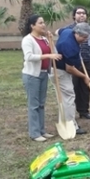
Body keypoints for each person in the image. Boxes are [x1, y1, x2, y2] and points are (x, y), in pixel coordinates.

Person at [21, 14, 62, 142]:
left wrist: (51, 40)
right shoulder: (28, 40)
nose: (43, 25)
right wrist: (48, 56)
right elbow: (29, 57)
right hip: (32, 75)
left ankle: (42, 130)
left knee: (41, 104)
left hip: (44, 73)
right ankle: (34, 133)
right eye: (40, 23)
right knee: (33, 105)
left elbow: (53, 52)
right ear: (32, 26)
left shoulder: (44, 39)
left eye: (43, 22)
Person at [53, 23, 90, 135]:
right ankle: (71, 125)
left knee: (64, 97)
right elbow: (69, 68)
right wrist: (84, 76)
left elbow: (57, 31)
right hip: (61, 71)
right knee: (69, 97)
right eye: (84, 38)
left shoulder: (67, 31)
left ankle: (65, 121)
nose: (85, 40)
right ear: (77, 33)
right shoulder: (70, 46)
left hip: (57, 68)